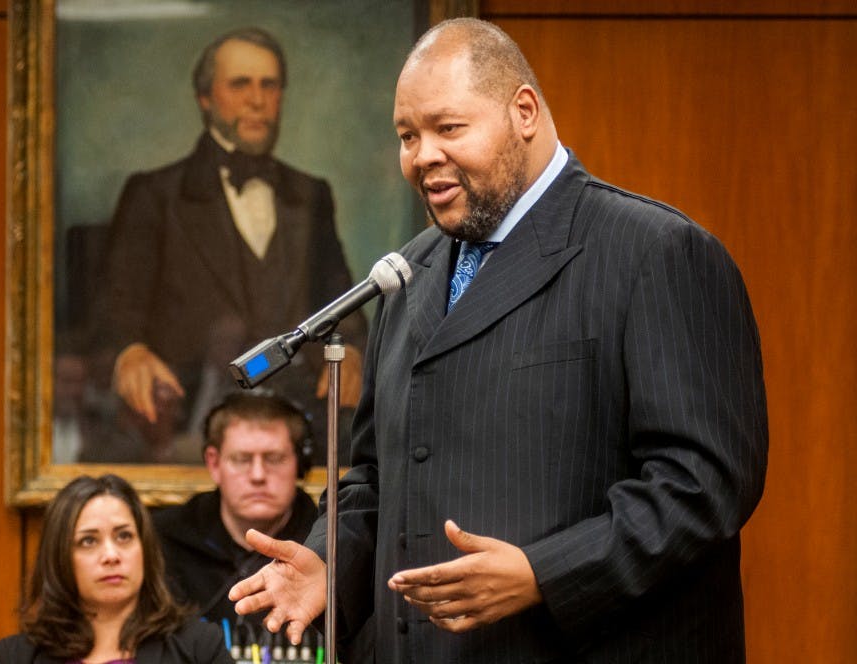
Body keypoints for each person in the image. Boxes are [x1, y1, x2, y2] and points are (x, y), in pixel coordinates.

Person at [228, 18, 768, 662]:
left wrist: (546, 573)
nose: (422, 154)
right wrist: (328, 562)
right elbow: (377, 474)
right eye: (407, 136)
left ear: (525, 112)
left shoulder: (657, 252)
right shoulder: (410, 273)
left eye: (448, 128)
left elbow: (703, 487)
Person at [93, 27, 367, 464]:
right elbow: (114, 311)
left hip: (301, 434)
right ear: (205, 98)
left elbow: (340, 301)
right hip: (189, 429)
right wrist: (130, 351)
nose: (257, 99)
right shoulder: (155, 194)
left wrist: (350, 349)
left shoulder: (311, 194)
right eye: (240, 84)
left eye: (269, 84)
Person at [0, 474, 232, 663]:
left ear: (145, 548)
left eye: (124, 536)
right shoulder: (17, 656)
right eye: (89, 541)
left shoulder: (200, 647)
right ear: (59, 557)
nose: (111, 555)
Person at [152, 390, 318, 625]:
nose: (258, 475)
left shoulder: (328, 541)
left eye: (274, 458)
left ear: (299, 464)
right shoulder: (165, 539)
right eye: (242, 459)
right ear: (214, 463)